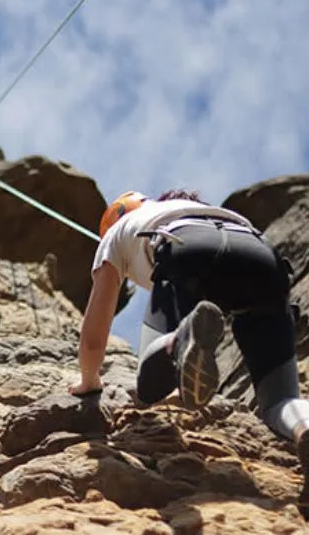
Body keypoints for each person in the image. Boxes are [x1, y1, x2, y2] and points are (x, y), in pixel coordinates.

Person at [69, 189, 309, 514]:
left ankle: (178, 342)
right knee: (281, 400)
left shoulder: (116, 231)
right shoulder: (197, 208)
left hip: (186, 249)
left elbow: (95, 338)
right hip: (261, 257)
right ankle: (304, 428)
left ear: (117, 216)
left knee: (150, 385)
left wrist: (89, 381)